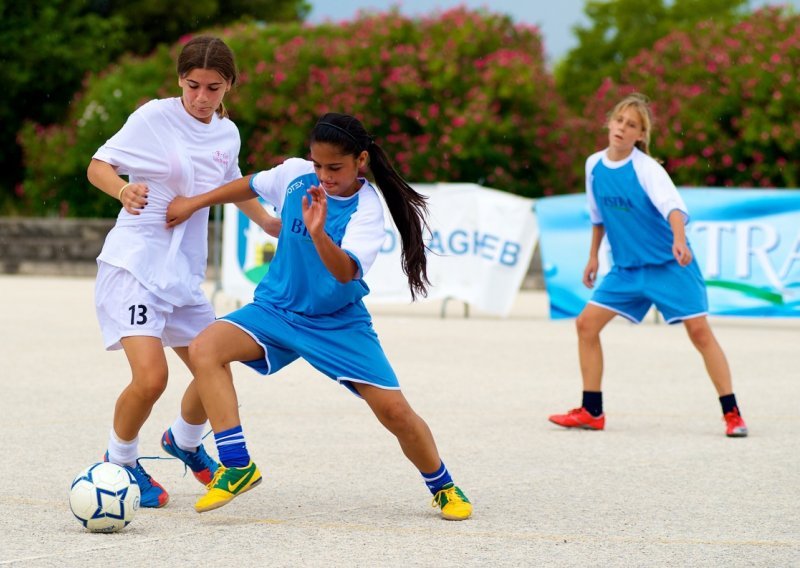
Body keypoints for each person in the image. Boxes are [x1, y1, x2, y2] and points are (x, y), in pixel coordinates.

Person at [164, 112, 473, 520]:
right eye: (318, 165)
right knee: (205, 348)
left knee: (395, 412)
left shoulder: (367, 210)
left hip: (336, 323)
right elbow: (250, 184)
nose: (324, 176)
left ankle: (443, 486)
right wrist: (195, 202)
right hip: (275, 308)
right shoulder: (294, 176)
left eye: (335, 168)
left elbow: (345, 271)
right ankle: (236, 463)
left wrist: (318, 233)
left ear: (361, 161)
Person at [86, 36, 280, 508]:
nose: (201, 97)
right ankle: (120, 464)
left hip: (183, 274)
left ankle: (183, 442)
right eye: (193, 85)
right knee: (151, 379)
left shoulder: (226, 133)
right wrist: (121, 192)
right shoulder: (154, 116)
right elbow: (98, 165)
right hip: (135, 263)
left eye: (213, 88)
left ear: (229, 86)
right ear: (180, 80)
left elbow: (232, 186)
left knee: (214, 368)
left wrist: (272, 223)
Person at [548, 93, 748, 438]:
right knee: (586, 325)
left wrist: (680, 240)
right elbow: (598, 217)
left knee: (700, 334)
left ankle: (732, 414)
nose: (622, 129)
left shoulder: (647, 168)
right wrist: (594, 256)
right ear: (609, 123)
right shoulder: (593, 165)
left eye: (632, 125)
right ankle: (591, 411)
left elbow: (673, 208)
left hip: (669, 265)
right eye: (619, 121)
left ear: (641, 135)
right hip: (627, 269)